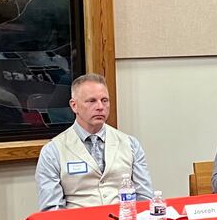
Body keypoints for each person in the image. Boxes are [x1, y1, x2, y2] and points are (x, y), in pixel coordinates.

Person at [35, 73, 153, 211]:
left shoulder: (130, 144)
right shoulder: (53, 151)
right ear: (74, 106)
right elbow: (51, 210)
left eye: (104, 100)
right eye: (91, 101)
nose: (100, 107)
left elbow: (145, 198)